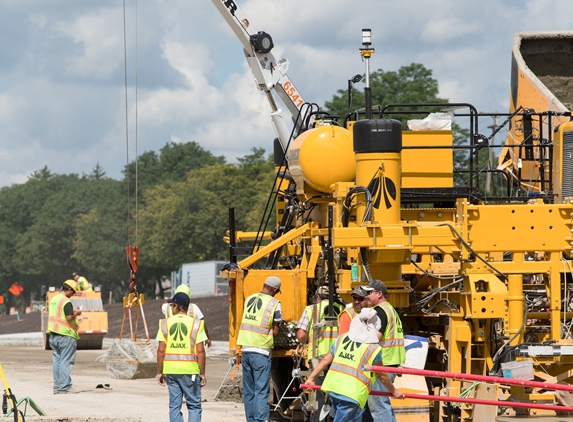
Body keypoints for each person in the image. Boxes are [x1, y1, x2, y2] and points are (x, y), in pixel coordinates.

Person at [305, 308, 405, 421]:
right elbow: (381, 374)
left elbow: (325, 360)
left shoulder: (341, 339)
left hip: (333, 389)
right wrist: (394, 391)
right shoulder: (373, 348)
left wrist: (311, 378)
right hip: (351, 394)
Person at [236, 275, 283, 422]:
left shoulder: (249, 298)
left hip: (246, 349)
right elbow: (275, 331)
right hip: (261, 351)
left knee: (249, 391)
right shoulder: (274, 303)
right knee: (261, 391)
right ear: (275, 290)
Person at [296, 285, 345, 422]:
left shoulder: (311, 309)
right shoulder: (342, 310)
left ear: (317, 297)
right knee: (336, 392)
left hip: (318, 357)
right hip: (339, 357)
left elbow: (301, 335)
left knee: (318, 395)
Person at [156, 292, 207, 422]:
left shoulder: (165, 324)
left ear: (176, 306)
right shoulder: (196, 324)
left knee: (174, 406)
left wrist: (159, 372)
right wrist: (203, 373)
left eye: (172, 305)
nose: (171, 308)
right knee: (194, 406)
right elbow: (201, 351)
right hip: (190, 371)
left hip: (171, 371)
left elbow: (161, 350)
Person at [362, 279, 405, 422]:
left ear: (379, 294)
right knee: (383, 404)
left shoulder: (379, 312)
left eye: (369, 293)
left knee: (379, 406)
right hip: (391, 362)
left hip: (383, 363)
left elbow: (374, 338)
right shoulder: (390, 309)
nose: (366, 296)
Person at [47, 279, 82, 394]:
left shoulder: (55, 299)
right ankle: (65, 386)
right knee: (65, 361)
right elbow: (68, 318)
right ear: (69, 290)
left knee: (57, 360)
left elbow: (59, 314)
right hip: (65, 335)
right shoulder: (66, 301)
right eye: (73, 292)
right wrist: (76, 313)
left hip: (53, 334)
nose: (73, 295)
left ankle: (57, 386)